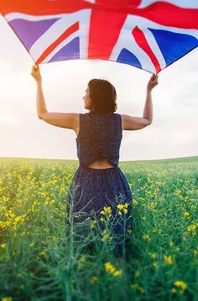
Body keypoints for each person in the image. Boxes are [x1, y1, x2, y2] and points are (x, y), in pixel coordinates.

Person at [30, 64, 158, 257]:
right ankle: (114, 275)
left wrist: (38, 82)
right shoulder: (119, 120)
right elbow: (147, 120)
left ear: (95, 97)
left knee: (82, 239)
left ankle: (87, 278)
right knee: (115, 237)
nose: (83, 96)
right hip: (113, 182)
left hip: (85, 183)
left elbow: (43, 114)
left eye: (86, 93)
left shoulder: (77, 120)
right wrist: (149, 91)